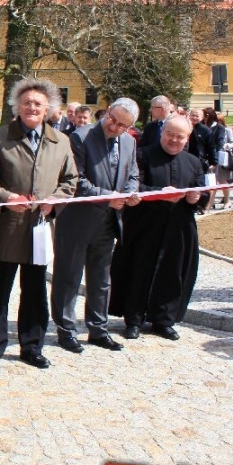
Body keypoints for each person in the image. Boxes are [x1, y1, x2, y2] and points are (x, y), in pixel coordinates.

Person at [0, 78, 78, 372]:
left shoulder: (61, 141)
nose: (31, 107)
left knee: (35, 290)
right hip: (7, 228)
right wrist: (6, 197)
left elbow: (71, 180)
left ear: (48, 108)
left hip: (39, 227)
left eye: (37, 103)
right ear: (17, 107)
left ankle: (32, 346)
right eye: (26, 102)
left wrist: (54, 201)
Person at [50, 98, 141, 354]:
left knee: (101, 278)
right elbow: (77, 182)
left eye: (123, 125)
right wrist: (110, 197)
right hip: (78, 219)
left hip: (109, 221)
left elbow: (133, 173)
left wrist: (130, 192)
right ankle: (66, 330)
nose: (114, 127)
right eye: (113, 119)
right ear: (107, 111)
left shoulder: (129, 142)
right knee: (69, 276)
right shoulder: (80, 137)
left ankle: (98, 329)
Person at [110, 116, 208, 341]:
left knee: (172, 273)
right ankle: (133, 319)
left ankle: (163, 320)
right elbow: (134, 185)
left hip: (179, 228)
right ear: (162, 133)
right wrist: (159, 192)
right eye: (170, 134)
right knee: (138, 270)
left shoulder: (193, 162)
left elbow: (203, 192)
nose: (174, 140)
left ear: (187, 138)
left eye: (179, 137)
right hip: (145, 225)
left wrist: (195, 197)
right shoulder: (142, 155)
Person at [203, 109, 233, 209]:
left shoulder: (219, 128)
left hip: (217, 157)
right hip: (206, 157)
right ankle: (210, 203)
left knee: (221, 180)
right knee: (212, 181)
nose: (204, 117)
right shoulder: (204, 126)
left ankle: (227, 200)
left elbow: (219, 143)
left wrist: (214, 159)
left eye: (205, 115)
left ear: (209, 116)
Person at [187, 108, 217, 173]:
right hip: (186, 159)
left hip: (200, 160)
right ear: (189, 115)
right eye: (193, 115)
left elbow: (211, 147)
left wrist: (214, 163)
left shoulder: (206, 131)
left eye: (197, 116)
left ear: (202, 117)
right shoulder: (183, 127)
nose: (194, 118)